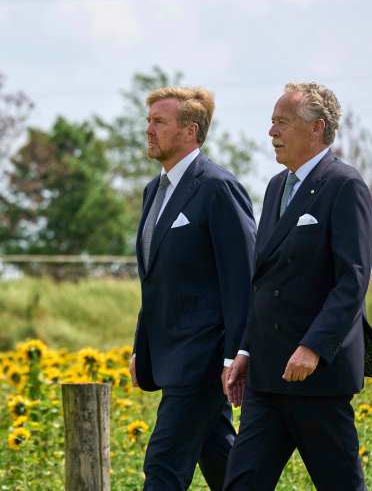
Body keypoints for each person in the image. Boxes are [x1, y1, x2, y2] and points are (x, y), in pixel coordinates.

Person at [222, 83, 372, 491]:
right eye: (272, 123)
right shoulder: (273, 188)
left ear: (317, 128)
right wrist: (246, 350)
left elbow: (352, 280)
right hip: (267, 379)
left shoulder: (345, 185)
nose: (271, 132)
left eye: (281, 123)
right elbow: (262, 283)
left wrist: (314, 347)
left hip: (318, 380)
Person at [129, 86, 256, 490]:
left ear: (190, 131)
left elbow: (242, 279)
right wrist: (141, 347)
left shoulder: (218, 187)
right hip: (170, 355)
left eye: (159, 122)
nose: (148, 129)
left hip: (203, 360)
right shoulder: (154, 191)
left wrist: (234, 354)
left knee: (163, 465)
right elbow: (155, 282)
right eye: (148, 121)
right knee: (223, 464)